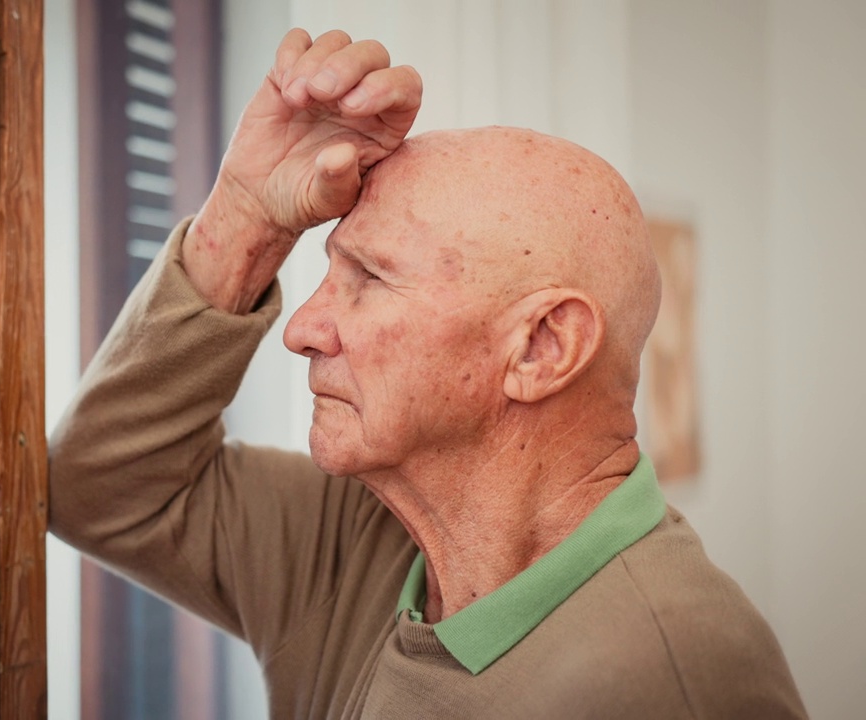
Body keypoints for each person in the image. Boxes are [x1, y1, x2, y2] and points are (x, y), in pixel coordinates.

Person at [50, 28, 806, 719]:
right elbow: (101, 491)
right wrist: (250, 212)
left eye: (370, 278)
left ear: (542, 348)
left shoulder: (678, 679)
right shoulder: (359, 534)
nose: (302, 329)